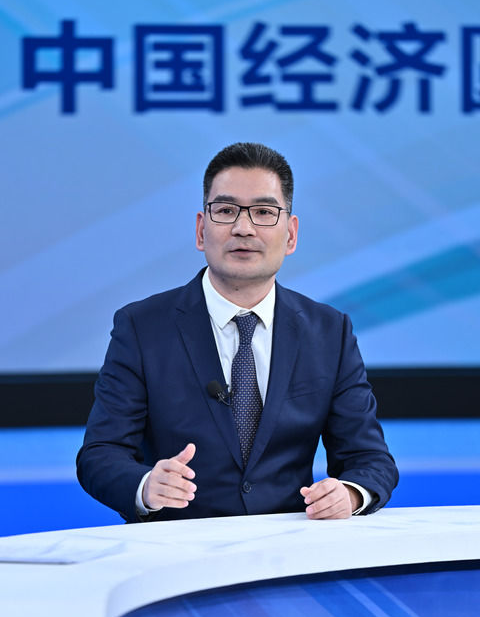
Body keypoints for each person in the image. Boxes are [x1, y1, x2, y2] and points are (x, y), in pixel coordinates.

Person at [77, 142, 398, 523]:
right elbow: (100, 454)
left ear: (291, 235)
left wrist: (350, 493)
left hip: (290, 544)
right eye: (226, 210)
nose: (243, 228)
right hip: (174, 545)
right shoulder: (142, 327)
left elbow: (369, 458)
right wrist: (145, 485)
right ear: (201, 230)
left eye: (263, 212)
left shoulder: (329, 332)